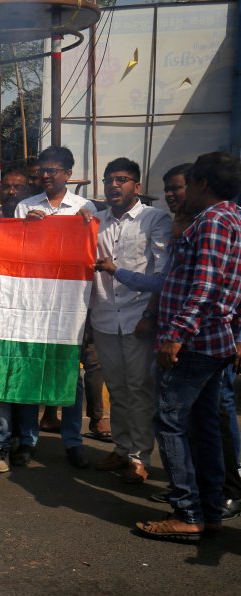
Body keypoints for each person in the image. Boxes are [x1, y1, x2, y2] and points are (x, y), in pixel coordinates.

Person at [135, 152, 241, 541]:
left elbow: (206, 285)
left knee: (171, 423)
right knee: (203, 426)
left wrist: (177, 332)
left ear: (202, 184)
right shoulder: (233, 218)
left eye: (188, 183)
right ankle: (209, 510)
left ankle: (187, 512)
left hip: (194, 344)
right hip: (214, 341)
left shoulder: (212, 221)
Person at [88, 158, 171, 484]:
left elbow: (161, 272)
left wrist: (152, 314)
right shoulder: (95, 222)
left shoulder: (155, 220)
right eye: (109, 180)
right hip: (106, 315)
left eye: (121, 179)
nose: (114, 185)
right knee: (119, 388)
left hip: (140, 318)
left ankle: (139, 457)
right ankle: (121, 450)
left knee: (139, 389)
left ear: (136, 186)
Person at [15, 146, 97, 220]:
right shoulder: (25, 206)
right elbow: (19, 236)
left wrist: (81, 224)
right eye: (42, 171)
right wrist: (27, 225)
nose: (45, 176)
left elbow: (91, 235)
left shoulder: (84, 207)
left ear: (68, 174)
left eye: (51, 171)